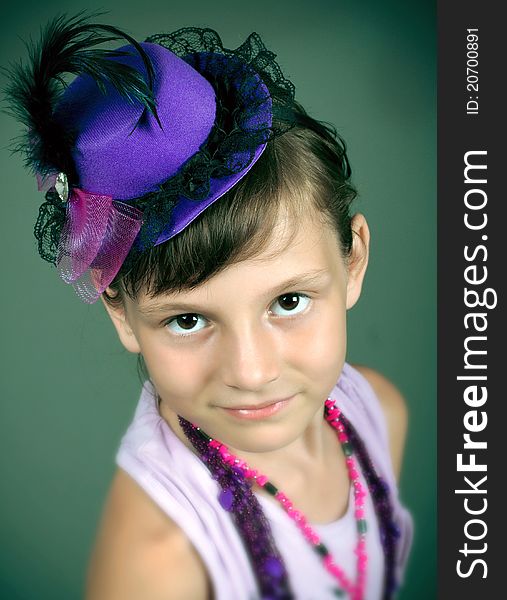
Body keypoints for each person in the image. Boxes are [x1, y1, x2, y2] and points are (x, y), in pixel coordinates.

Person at [5, 13, 412, 600]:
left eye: (289, 301)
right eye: (188, 320)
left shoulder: (378, 417)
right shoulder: (158, 565)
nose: (251, 371)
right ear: (121, 313)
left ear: (353, 262)